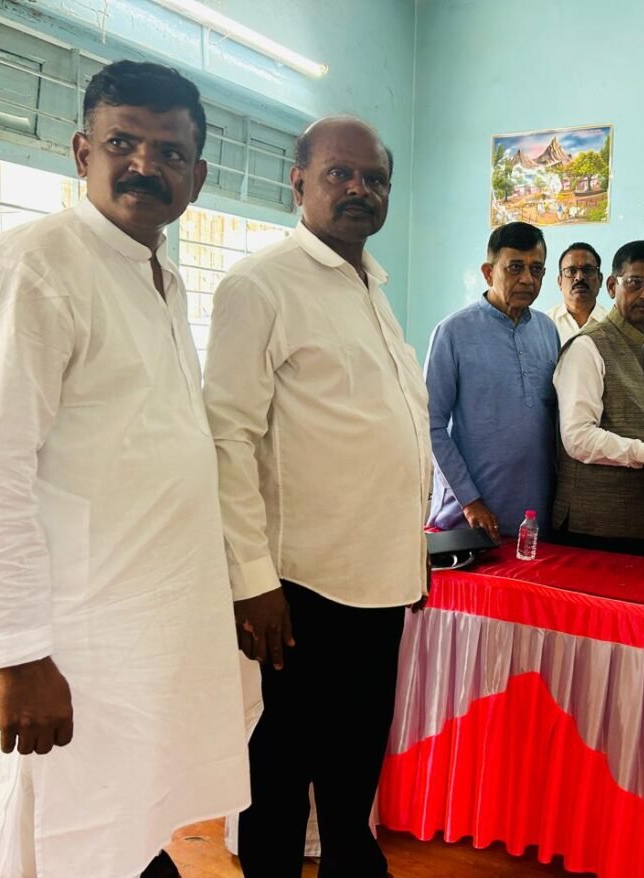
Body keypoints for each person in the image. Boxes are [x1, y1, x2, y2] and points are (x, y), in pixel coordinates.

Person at [0, 60, 248, 877]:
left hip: (146, 630)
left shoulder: (159, 272)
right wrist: (17, 655)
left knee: (130, 828)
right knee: (70, 840)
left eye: (170, 152)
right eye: (123, 143)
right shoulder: (32, 268)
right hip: (74, 643)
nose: (145, 165)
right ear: (83, 152)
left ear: (197, 176)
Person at [204, 115, 431, 878]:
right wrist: (251, 581)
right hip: (297, 590)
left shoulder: (370, 286)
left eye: (375, 179)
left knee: (354, 762)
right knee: (278, 773)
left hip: (378, 581)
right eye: (340, 173)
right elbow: (227, 438)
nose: (359, 188)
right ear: (297, 181)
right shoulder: (260, 285)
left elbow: (387, 433)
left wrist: (410, 558)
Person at [552, 240, 644, 557]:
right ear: (611, 286)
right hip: (597, 526)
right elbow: (578, 438)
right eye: (634, 283)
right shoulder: (587, 347)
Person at [425, 222, 559, 539]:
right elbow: (429, 424)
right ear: (488, 273)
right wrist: (470, 501)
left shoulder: (547, 330)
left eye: (536, 269)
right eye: (515, 267)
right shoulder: (452, 332)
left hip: (534, 518)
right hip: (468, 519)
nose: (527, 279)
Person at [546, 242, 607, 342]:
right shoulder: (546, 325)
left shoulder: (613, 326)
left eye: (587, 270)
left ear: (600, 280)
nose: (579, 277)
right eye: (571, 271)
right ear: (559, 281)